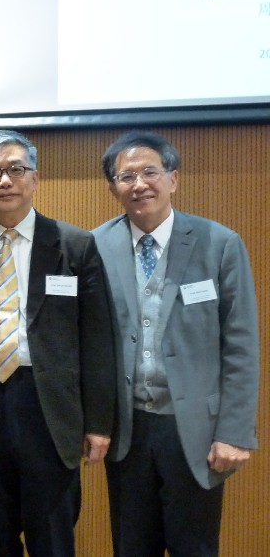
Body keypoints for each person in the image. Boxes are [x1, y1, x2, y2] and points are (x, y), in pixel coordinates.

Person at [0, 129, 115, 557]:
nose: (5, 180)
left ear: (35, 179)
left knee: (52, 535)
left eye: (16, 169)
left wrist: (98, 422)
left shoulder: (74, 245)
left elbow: (97, 338)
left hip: (48, 408)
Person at [92, 130, 260, 556]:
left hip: (196, 431)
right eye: (126, 176)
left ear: (173, 179)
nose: (139, 184)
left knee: (195, 547)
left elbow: (240, 345)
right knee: (132, 546)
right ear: (113, 187)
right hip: (127, 429)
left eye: (150, 171)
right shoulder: (94, 246)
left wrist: (235, 432)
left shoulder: (219, 243)